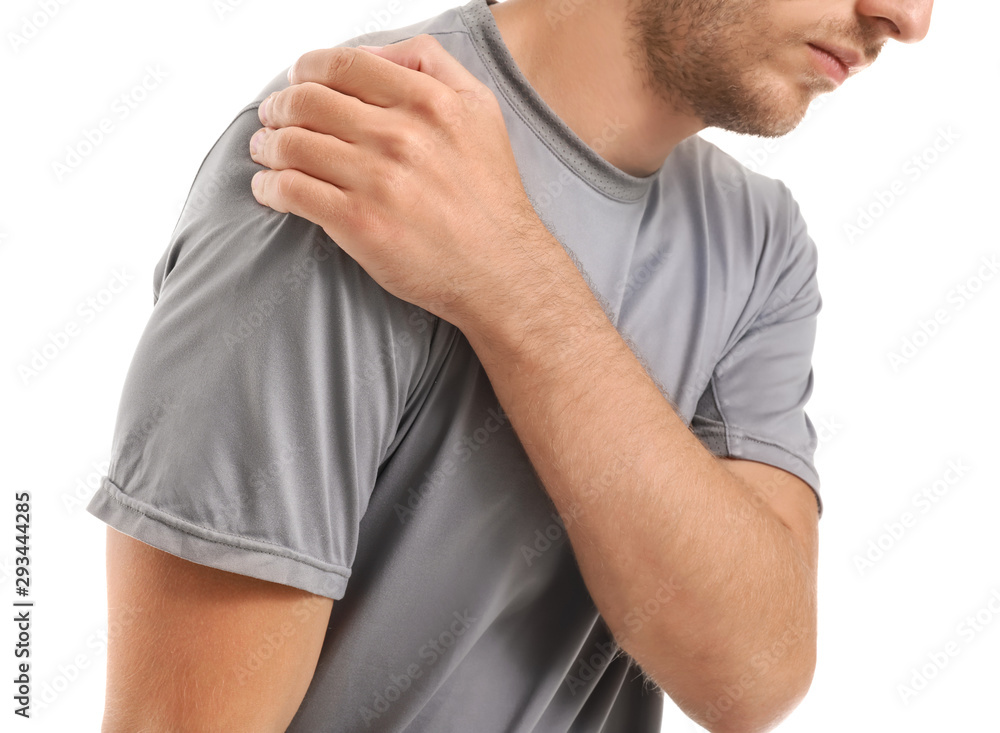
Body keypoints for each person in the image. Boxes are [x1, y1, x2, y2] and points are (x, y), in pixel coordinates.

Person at [87, 0, 933, 730]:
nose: (910, 19)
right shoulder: (355, 155)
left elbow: (753, 675)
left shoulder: (760, 241)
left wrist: (513, 282)